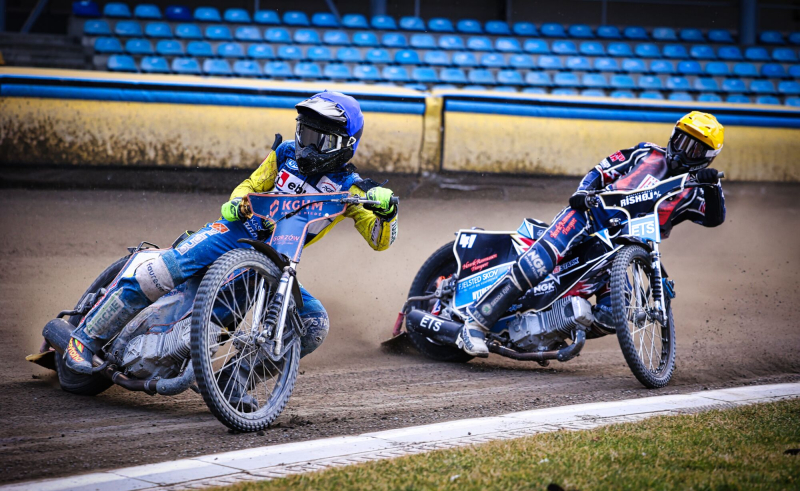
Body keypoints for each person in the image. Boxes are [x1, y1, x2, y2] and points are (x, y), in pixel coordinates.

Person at [64, 91, 399, 389]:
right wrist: (237, 201)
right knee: (163, 270)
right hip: (235, 231)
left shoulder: (355, 189)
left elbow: (380, 240)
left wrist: (387, 214)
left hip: (275, 263)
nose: (308, 145)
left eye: (320, 139)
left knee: (313, 324)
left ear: (346, 146)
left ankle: (233, 383)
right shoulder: (283, 154)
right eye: (305, 134)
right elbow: (250, 185)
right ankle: (85, 338)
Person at [458, 111, 727, 356]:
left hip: (622, 250)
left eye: (694, 149)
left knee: (613, 316)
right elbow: (602, 170)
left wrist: (713, 185)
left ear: (706, 158)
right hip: (589, 216)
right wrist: (583, 193)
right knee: (538, 263)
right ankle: (475, 324)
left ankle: (549, 332)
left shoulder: (696, 192)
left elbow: (715, 219)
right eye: (681, 140)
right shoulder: (645, 153)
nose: (682, 151)